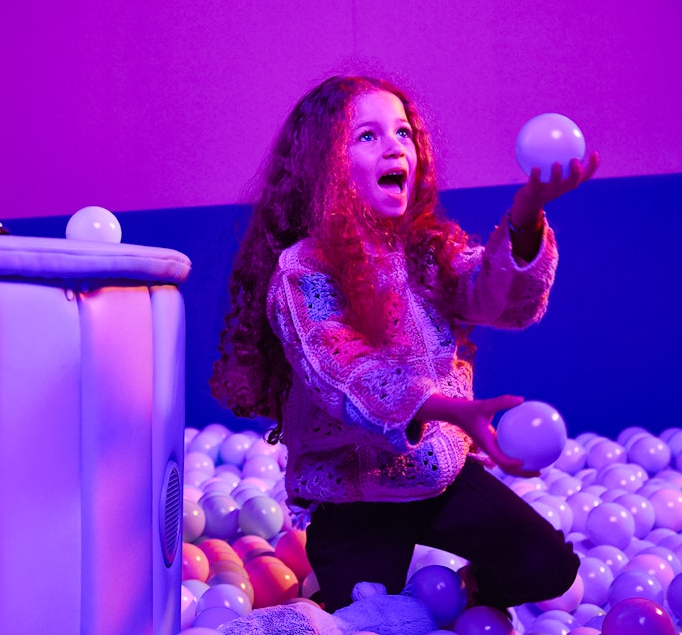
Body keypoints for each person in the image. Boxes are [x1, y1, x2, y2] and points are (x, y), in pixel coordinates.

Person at [210, 74, 599, 613]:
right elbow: (343, 371)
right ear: (323, 167)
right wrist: (450, 408)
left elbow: (494, 296)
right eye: (367, 136)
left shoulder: (427, 250)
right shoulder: (304, 271)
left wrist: (526, 214)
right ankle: (346, 597)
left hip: (437, 477)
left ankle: (459, 597)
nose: (394, 146)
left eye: (403, 133)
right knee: (368, 616)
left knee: (549, 565)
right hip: (352, 497)